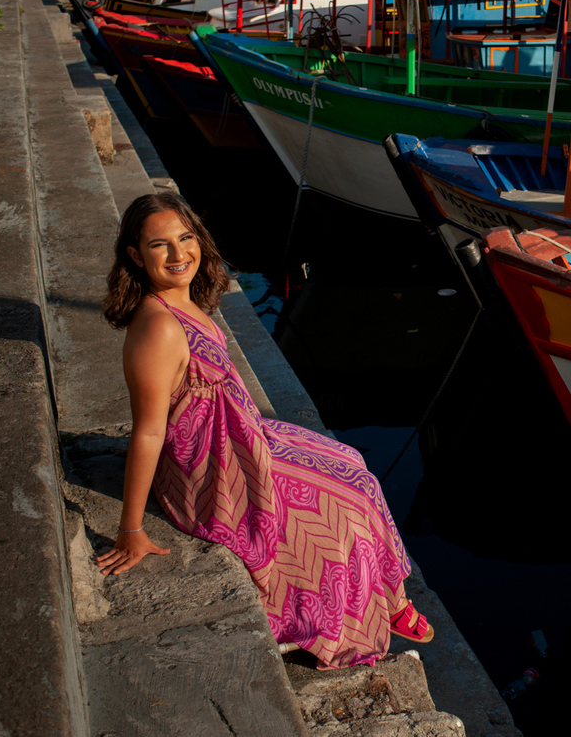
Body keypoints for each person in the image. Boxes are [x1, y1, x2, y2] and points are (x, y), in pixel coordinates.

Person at [96, 192, 431, 669]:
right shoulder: (159, 328)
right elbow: (148, 431)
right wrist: (130, 527)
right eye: (159, 245)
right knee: (341, 507)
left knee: (354, 467)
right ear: (135, 255)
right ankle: (354, 616)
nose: (178, 255)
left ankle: (391, 600)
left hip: (238, 436)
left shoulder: (181, 301)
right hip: (212, 471)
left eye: (185, 238)